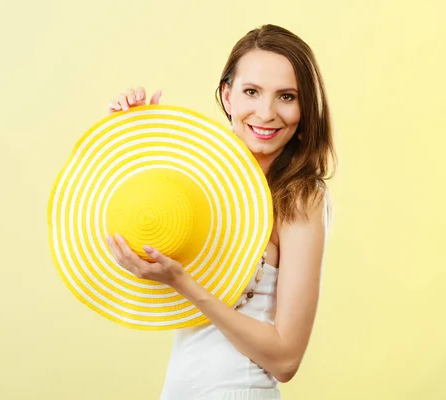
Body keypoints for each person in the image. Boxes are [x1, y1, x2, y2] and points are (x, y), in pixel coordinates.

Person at [105, 24, 336, 400]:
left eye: (287, 96)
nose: (266, 112)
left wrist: (184, 284)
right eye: (251, 92)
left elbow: (286, 359)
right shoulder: (204, 186)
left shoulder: (299, 198)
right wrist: (133, 135)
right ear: (227, 97)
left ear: (305, 106)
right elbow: (134, 258)